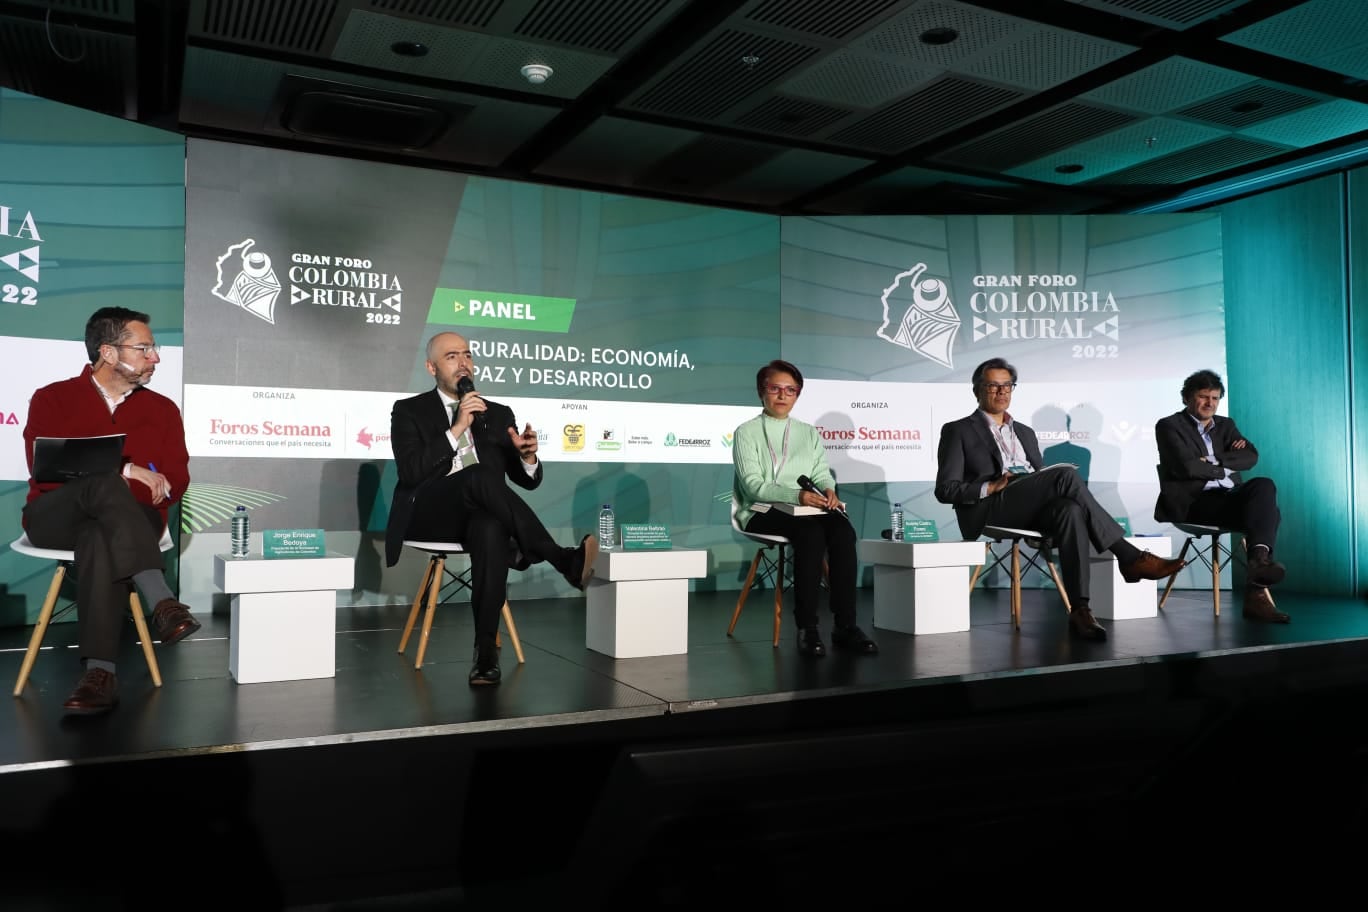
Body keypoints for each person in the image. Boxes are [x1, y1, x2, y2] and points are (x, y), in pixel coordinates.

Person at [386, 331, 599, 686]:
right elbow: (410, 473)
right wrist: (456, 429)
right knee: (481, 476)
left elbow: (524, 481)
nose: (463, 362)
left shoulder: (498, 414)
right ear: (431, 367)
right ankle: (561, 558)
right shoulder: (409, 410)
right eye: (452, 356)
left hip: (478, 514)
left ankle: (485, 655)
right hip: (429, 513)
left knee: (489, 526)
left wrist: (528, 457)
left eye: (467, 355)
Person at [22, 307, 201, 715]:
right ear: (107, 351)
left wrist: (138, 480)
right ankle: (163, 602)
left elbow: (176, 479)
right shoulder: (52, 397)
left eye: (153, 348)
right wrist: (127, 470)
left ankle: (99, 675)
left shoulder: (163, 409)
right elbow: (48, 470)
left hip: (129, 524)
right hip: (54, 517)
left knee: (99, 535)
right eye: (144, 348)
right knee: (102, 482)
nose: (155, 357)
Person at [934, 357, 1186, 641]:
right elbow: (946, 489)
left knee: (1069, 510)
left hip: (1026, 504)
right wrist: (991, 487)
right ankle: (1128, 556)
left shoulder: (1025, 433)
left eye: (1007, 386)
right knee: (1064, 475)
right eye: (993, 385)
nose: (1001, 392)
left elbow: (1038, 479)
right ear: (977, 390)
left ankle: (1080, 609)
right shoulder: (958, 430)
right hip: (990, 507)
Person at [732, 359, 877, 657]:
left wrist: (829, 490)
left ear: (798, 394)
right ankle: (807, 627)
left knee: (842, 530)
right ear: (762, 391)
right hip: (759, 508)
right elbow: (752, 486)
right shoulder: (746, 432)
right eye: (775, 388)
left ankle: (845, 626)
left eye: (791, 390)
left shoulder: (808, 432)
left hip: (805, 507)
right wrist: (796, 496)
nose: (783, 396)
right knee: (810, 534)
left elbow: (821, 472)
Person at [1154, 369, 1288, 622]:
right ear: (1186, 398)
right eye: (1203, 397)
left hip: (1228, 497)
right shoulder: (1169, 426)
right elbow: (1186, 467)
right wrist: (1225, 464)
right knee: (1267, 514)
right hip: (1195, 503)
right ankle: (1257, 593)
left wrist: (1212, 459)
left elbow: (1251, 457)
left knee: (1263, 486)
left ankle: (1259, 561)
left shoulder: (1226, 425)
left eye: (1215, 398)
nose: (1210, 404)